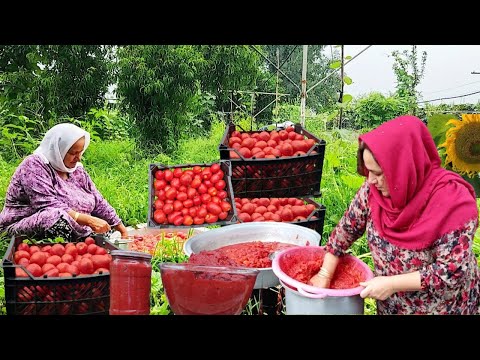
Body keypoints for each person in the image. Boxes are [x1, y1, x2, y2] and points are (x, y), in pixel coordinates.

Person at [309, 115, 480, 315]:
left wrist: (391, 284)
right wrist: (324, 274)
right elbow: (346, 230)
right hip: (392, 305)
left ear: (405, 167)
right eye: (368, 171)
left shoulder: (453, 202)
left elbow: (451, 271)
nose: (371, 180)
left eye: (380, 173)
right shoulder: (373, 192)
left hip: (443, 307)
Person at [0, 123, 128, 242]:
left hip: (77, 226)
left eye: (80, 152)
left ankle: (84, 240)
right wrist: (88, 220)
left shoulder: (77, 170)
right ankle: (70, 247)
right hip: (20, 225)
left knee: (101, 229)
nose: (78, 158)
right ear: (58, 150)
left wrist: (121, 228)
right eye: (73, 153)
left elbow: (98, 201)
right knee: (55, 217)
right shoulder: (34, 166)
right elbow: (47, 205)